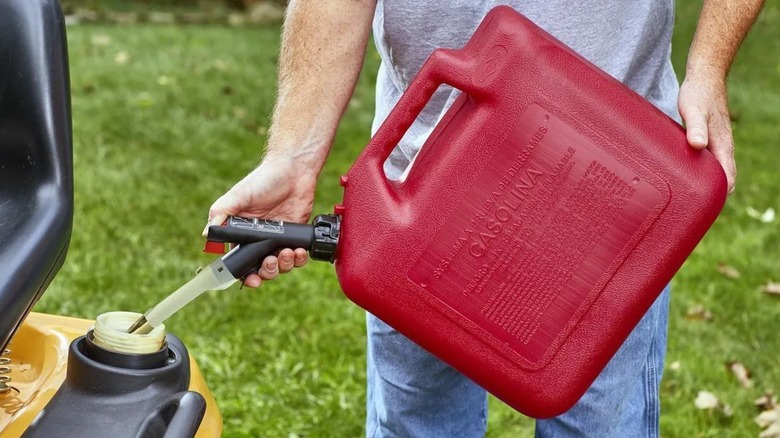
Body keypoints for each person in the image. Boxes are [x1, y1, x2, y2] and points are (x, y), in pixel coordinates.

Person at [206, 1, 764, 436]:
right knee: (418, 428)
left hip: (617, 189)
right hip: (423, 196)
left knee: (602, 427)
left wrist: (710, 65)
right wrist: (292, 159)